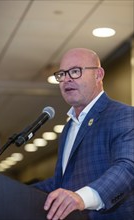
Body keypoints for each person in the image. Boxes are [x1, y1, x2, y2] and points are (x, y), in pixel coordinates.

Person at [34, 48, 134, 220]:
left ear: (98, 75)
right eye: (62, 74)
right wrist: (12, 189)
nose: (66, 79)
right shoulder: (68, 127)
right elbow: (62, 181)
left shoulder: (123, 114)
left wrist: (82, 198)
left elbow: (128, 167)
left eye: (75, 71)